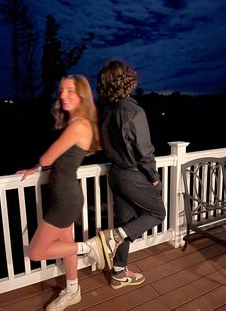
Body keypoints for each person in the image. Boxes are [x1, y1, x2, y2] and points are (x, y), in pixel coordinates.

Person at [17, 74, 105, 311]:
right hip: (65, 195)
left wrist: (40, 162)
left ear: (82, 95)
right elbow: (52, 162)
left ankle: (90, 247)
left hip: (65, 200)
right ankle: (73, 289)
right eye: (61, 90)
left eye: (70, 91)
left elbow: (48, 157)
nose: (63, 95)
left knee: (36, 252)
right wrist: (36, 167)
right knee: (66, 245)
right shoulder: (79, 122)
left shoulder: (78, 125)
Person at [96, 60, 166, 289]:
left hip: (115, 175)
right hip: (133, 176)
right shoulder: (134, 112)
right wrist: (155, 178)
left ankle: (119, 272)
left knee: (125, 221)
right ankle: (114, 236)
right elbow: (145, 152)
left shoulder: (106, 112)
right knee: (158, 213)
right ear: (127, 81)